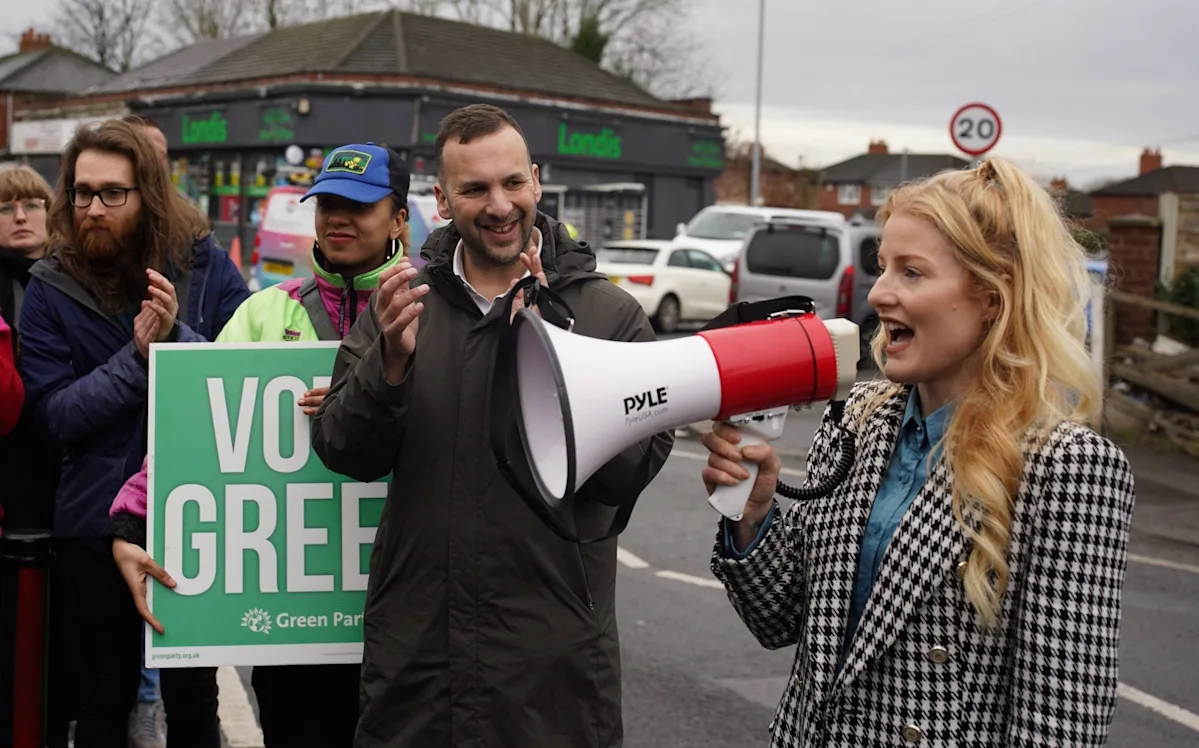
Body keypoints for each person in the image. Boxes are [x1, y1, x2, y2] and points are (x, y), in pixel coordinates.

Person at [701, 157, 1136, 747]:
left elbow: (1059, 725)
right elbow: (781, 620)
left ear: (991, 297)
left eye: (912, 273)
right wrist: (754, 516)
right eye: (883, 267)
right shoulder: (859, 417)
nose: (879, 294)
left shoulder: (1069, 467)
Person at [310, 104, 674, 747]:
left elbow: (626, 477)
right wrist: (389, 364)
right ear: (443, 202)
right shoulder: (399, 306)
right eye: (474, 189)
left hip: (552, 679)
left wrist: (558, 360)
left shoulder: (606, 315)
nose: (499, 205)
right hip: (418, 669)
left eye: (511, 183)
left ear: (536, 181)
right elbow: (343, 449)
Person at [108, 141, 414, 748]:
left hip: (400, 614)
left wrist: (364, 401)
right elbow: (196, 422)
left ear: (399, 218)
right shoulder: (265, 311)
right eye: (327, 203)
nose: (337, 218)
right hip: (293, 621)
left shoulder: (429, 308)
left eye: (359, 204)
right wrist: (130, 522)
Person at [16, 118, 250, 748]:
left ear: (146, 193)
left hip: (192, 514)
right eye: (82, 192)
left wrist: (176, 339)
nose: (93, 207)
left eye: (112, 193)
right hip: (92, 524)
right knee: (100, 708)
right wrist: (138, 359)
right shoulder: (48, 288)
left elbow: (240, 373)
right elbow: (55, 416)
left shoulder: (201, 266)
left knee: (194, 708)